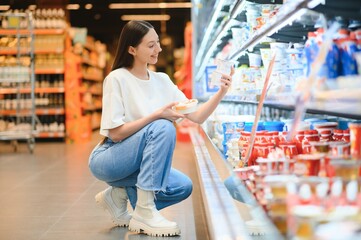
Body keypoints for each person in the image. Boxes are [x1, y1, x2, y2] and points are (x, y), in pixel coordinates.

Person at [88, 20, 233, 237]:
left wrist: (221, 92)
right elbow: (116, 134)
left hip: (136, 163)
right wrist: (156, 115)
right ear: (131, 49)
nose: (159, 49)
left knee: (183, 186)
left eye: (158, 43)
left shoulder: (162, 80)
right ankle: (145, 211)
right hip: (109, 159)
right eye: (151, 45)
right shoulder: (116, 79)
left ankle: (118, 195)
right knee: (163, 126)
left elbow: (198, 116)